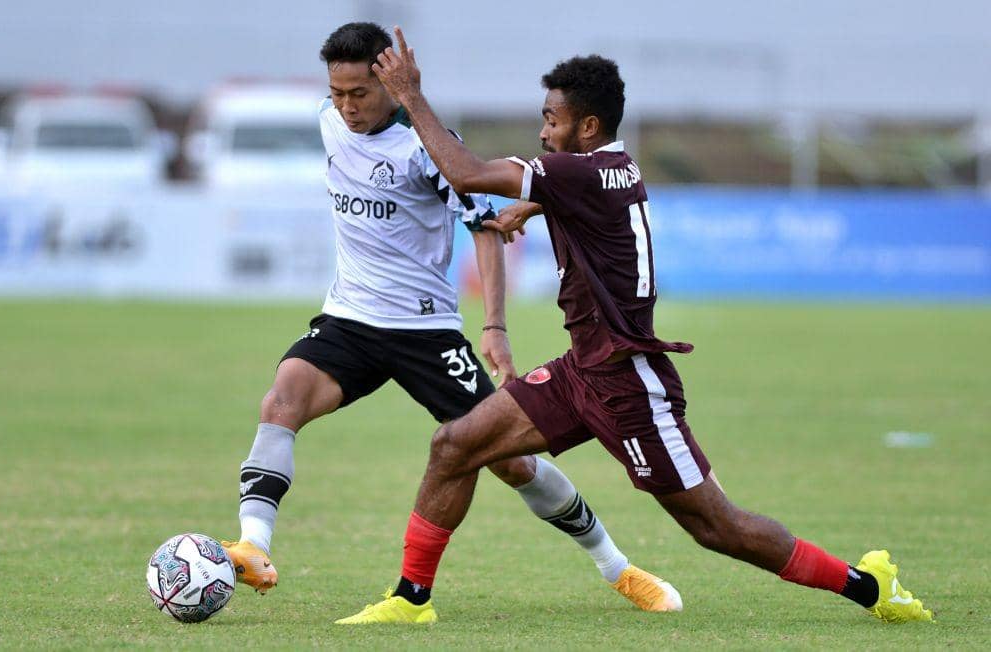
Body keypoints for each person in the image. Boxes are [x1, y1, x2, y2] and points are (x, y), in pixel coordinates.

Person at [337, 27, 933, 625]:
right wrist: (540, 204)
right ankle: (411, 599)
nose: (543, 132)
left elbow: (464, 173)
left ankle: (868, 586)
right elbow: (588, 201)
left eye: (552, 118)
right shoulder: (613, 167)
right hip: (582, 372)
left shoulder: (575, 174)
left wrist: (411, 97)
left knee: (715, 526)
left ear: (587, 126)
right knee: (454, 445)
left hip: (629, 385)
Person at [219, 22, 680, 618]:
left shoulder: (425, 145)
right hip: (350, 318)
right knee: (281, 401)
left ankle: (617, 567)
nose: (346, 106)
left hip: (425, 331)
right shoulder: (328, 122)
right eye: (336, 93)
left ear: (388, 80)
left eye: (359, 92)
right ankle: (253, 547)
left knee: (508, 461)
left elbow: (484, 231)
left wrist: (493, 326)